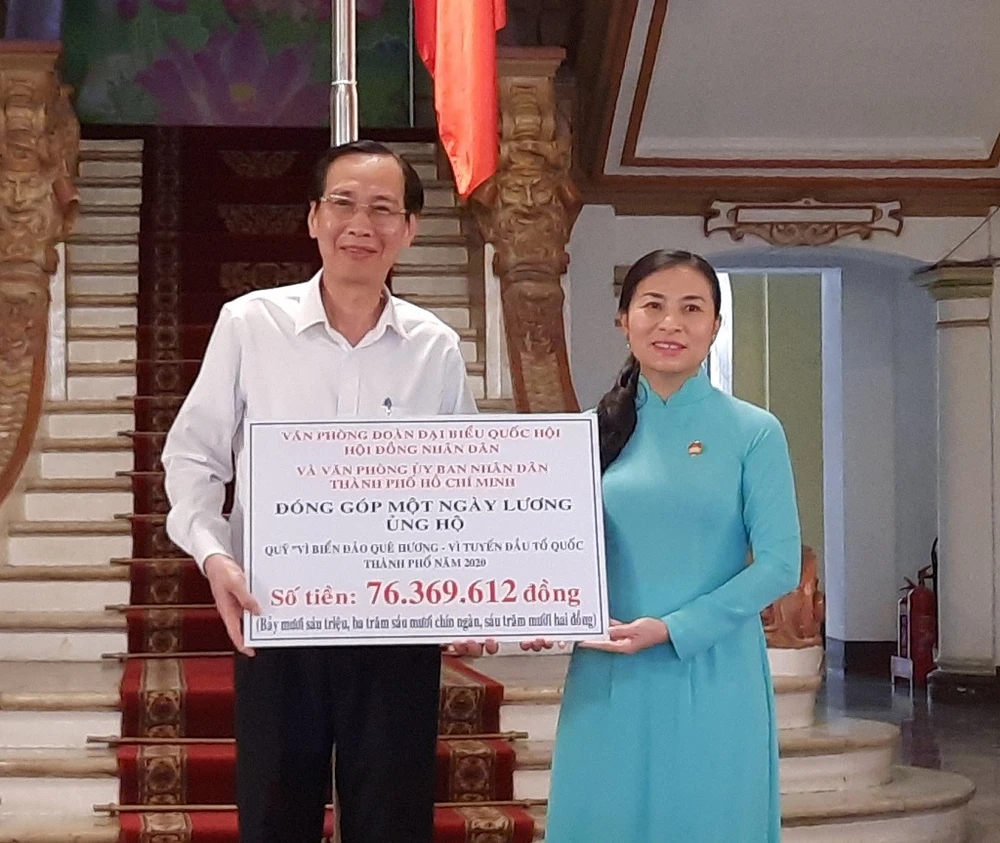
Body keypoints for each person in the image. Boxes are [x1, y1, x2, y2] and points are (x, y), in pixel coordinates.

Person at [161, 140, 484, 843]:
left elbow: (462, 485)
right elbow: (192, 457)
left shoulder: (435, 346)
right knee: (275, 816)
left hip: (398, 624)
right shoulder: (251, 325)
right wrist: (216, 557)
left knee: (394, 820)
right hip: (279, 616)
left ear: (409, 229)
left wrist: (473, 589)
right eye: (343, 203)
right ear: (313, 218)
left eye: (382, 209)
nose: (360, 225)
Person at [542, 250, 802, 842]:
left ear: (715, 325)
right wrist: (539, 612)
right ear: (623, 319)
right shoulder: (587, 433)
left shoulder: (754, 432)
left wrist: (673, 628)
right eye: (653, 306)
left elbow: (780, 563)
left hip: (712, 665)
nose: (670, 324)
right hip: (609, 669)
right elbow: (551, 550)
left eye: (691, 309)